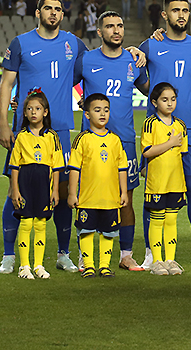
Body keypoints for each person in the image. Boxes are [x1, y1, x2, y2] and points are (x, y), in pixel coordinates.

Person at [0, 0, 89, 275]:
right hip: (25, 130)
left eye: (58, 9)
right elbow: (6, 84)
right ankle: (9, 254)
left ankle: (63, 254)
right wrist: (4, 123)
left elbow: (97, 64)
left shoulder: (74, 44)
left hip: (60, 130)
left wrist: (136, 51)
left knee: (62, 193)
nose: (53, 13)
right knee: (18, 191)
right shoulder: (21, 43)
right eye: (48, 8)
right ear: (38, 12)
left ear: (63, 15)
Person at [139, 0, 191, 270]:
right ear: (164, 15)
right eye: (175, 10)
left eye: (185, 10)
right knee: (154, 193)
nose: (181, 14)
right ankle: (152, 254)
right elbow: (139, 79)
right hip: (159, 135)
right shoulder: (151, 45)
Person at [74, 11, 149, 271]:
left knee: (125, 197)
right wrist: (81, 100)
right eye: (109, 26)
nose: (116, 30)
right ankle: (86, 256)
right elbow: (65, 85)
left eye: (119, 26)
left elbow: (150, 88)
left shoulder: (132, 60)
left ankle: (125, 255)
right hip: (91, 144)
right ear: (100, 32)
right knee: (87, 197)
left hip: (124, 142)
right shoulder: (86, 60)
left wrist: (143, 54)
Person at [67, 93, 129, 278]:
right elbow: (74, 168)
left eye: (106, 110)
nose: (102, 114)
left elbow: (122, 168)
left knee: (108, 232)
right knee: (86, 231)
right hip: (87, 198)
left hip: (110, 198)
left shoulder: (115, 140)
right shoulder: (82, 139)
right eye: (97, 110)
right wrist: (72, 193)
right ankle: (88, 266)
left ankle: (104, 265)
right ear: (87, 115)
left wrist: (124, 192)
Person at [8, 90, 64, 279]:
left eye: (38, 109)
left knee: (40, 223)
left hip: (44, 186)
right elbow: (15, 165)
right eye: (29, 109)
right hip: (25, 183)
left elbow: (56, 167)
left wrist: (55, 190)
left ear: (45, 112)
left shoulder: (52, 137)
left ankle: (38, 265)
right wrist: (15, 189)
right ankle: (24, 266)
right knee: (25, 223)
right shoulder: (21, 136)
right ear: (24, 113)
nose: (33, 112)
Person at [141, 83, 188, 276]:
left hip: (175, 182)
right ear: (154, 102)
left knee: (171, 220)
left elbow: (182, 154)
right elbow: (148, 151)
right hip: (157, 182)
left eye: (173, 99)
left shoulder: (180, 125)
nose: (170, 103)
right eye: (164, 99)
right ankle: (157, 261)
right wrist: (169, 143)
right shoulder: (151, 123)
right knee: (157, 220)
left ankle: (170, 259)